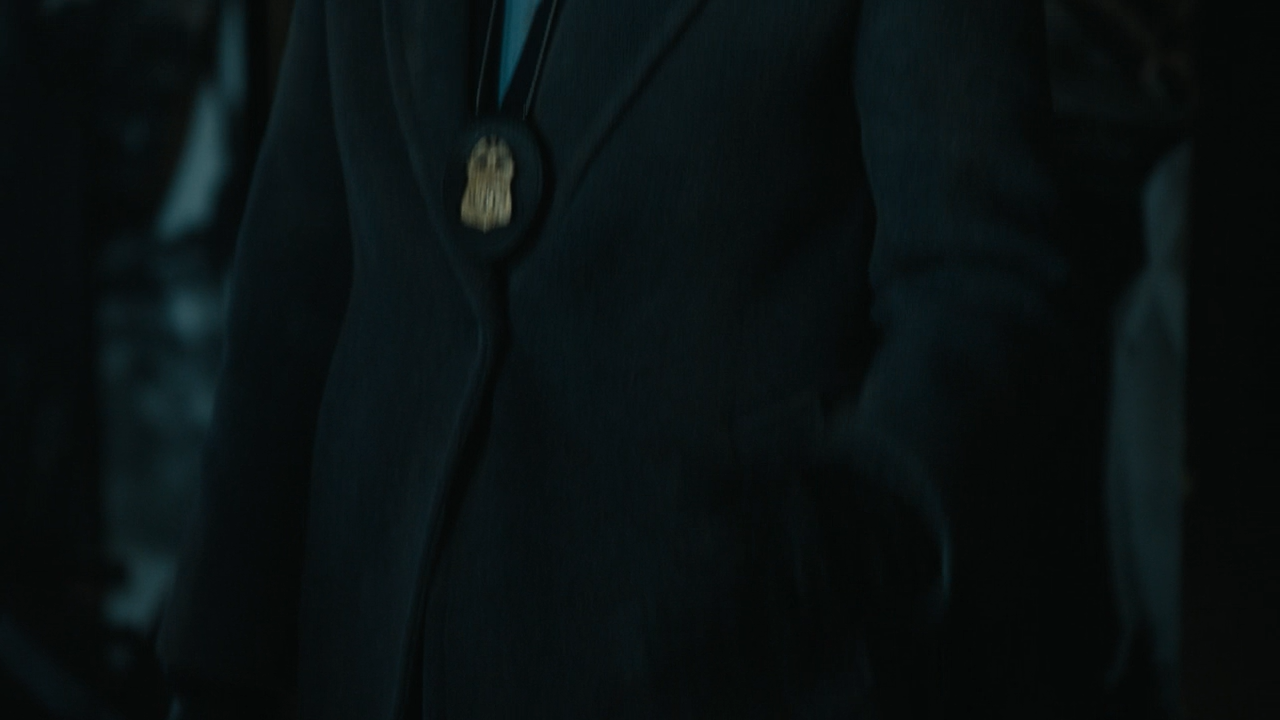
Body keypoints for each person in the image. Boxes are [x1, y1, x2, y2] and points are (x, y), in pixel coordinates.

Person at [158, 1, 1104, 718]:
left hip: (714, 664)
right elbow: (296, 279)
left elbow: (979, 281)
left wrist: (818, 577)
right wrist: (216, 658)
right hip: (371, 656)